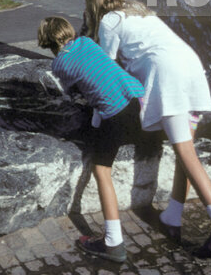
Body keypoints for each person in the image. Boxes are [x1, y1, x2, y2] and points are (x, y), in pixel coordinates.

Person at [86, 0, 211, 259]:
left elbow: (104, 71)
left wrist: (96, 122)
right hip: (191, 67)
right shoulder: (140, 11)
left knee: (185, 152)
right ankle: (173, 217)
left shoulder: (109, 20)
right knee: (186, 150)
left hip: (167, 76)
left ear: (95, 2)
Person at [37, 16, 145, 264]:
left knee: (101, 170)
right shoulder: (87, 42)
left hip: (118, 113)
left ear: (47, 42)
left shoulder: (60, 64)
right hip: (140, 100)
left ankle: (113, 243)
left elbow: (74, 95)